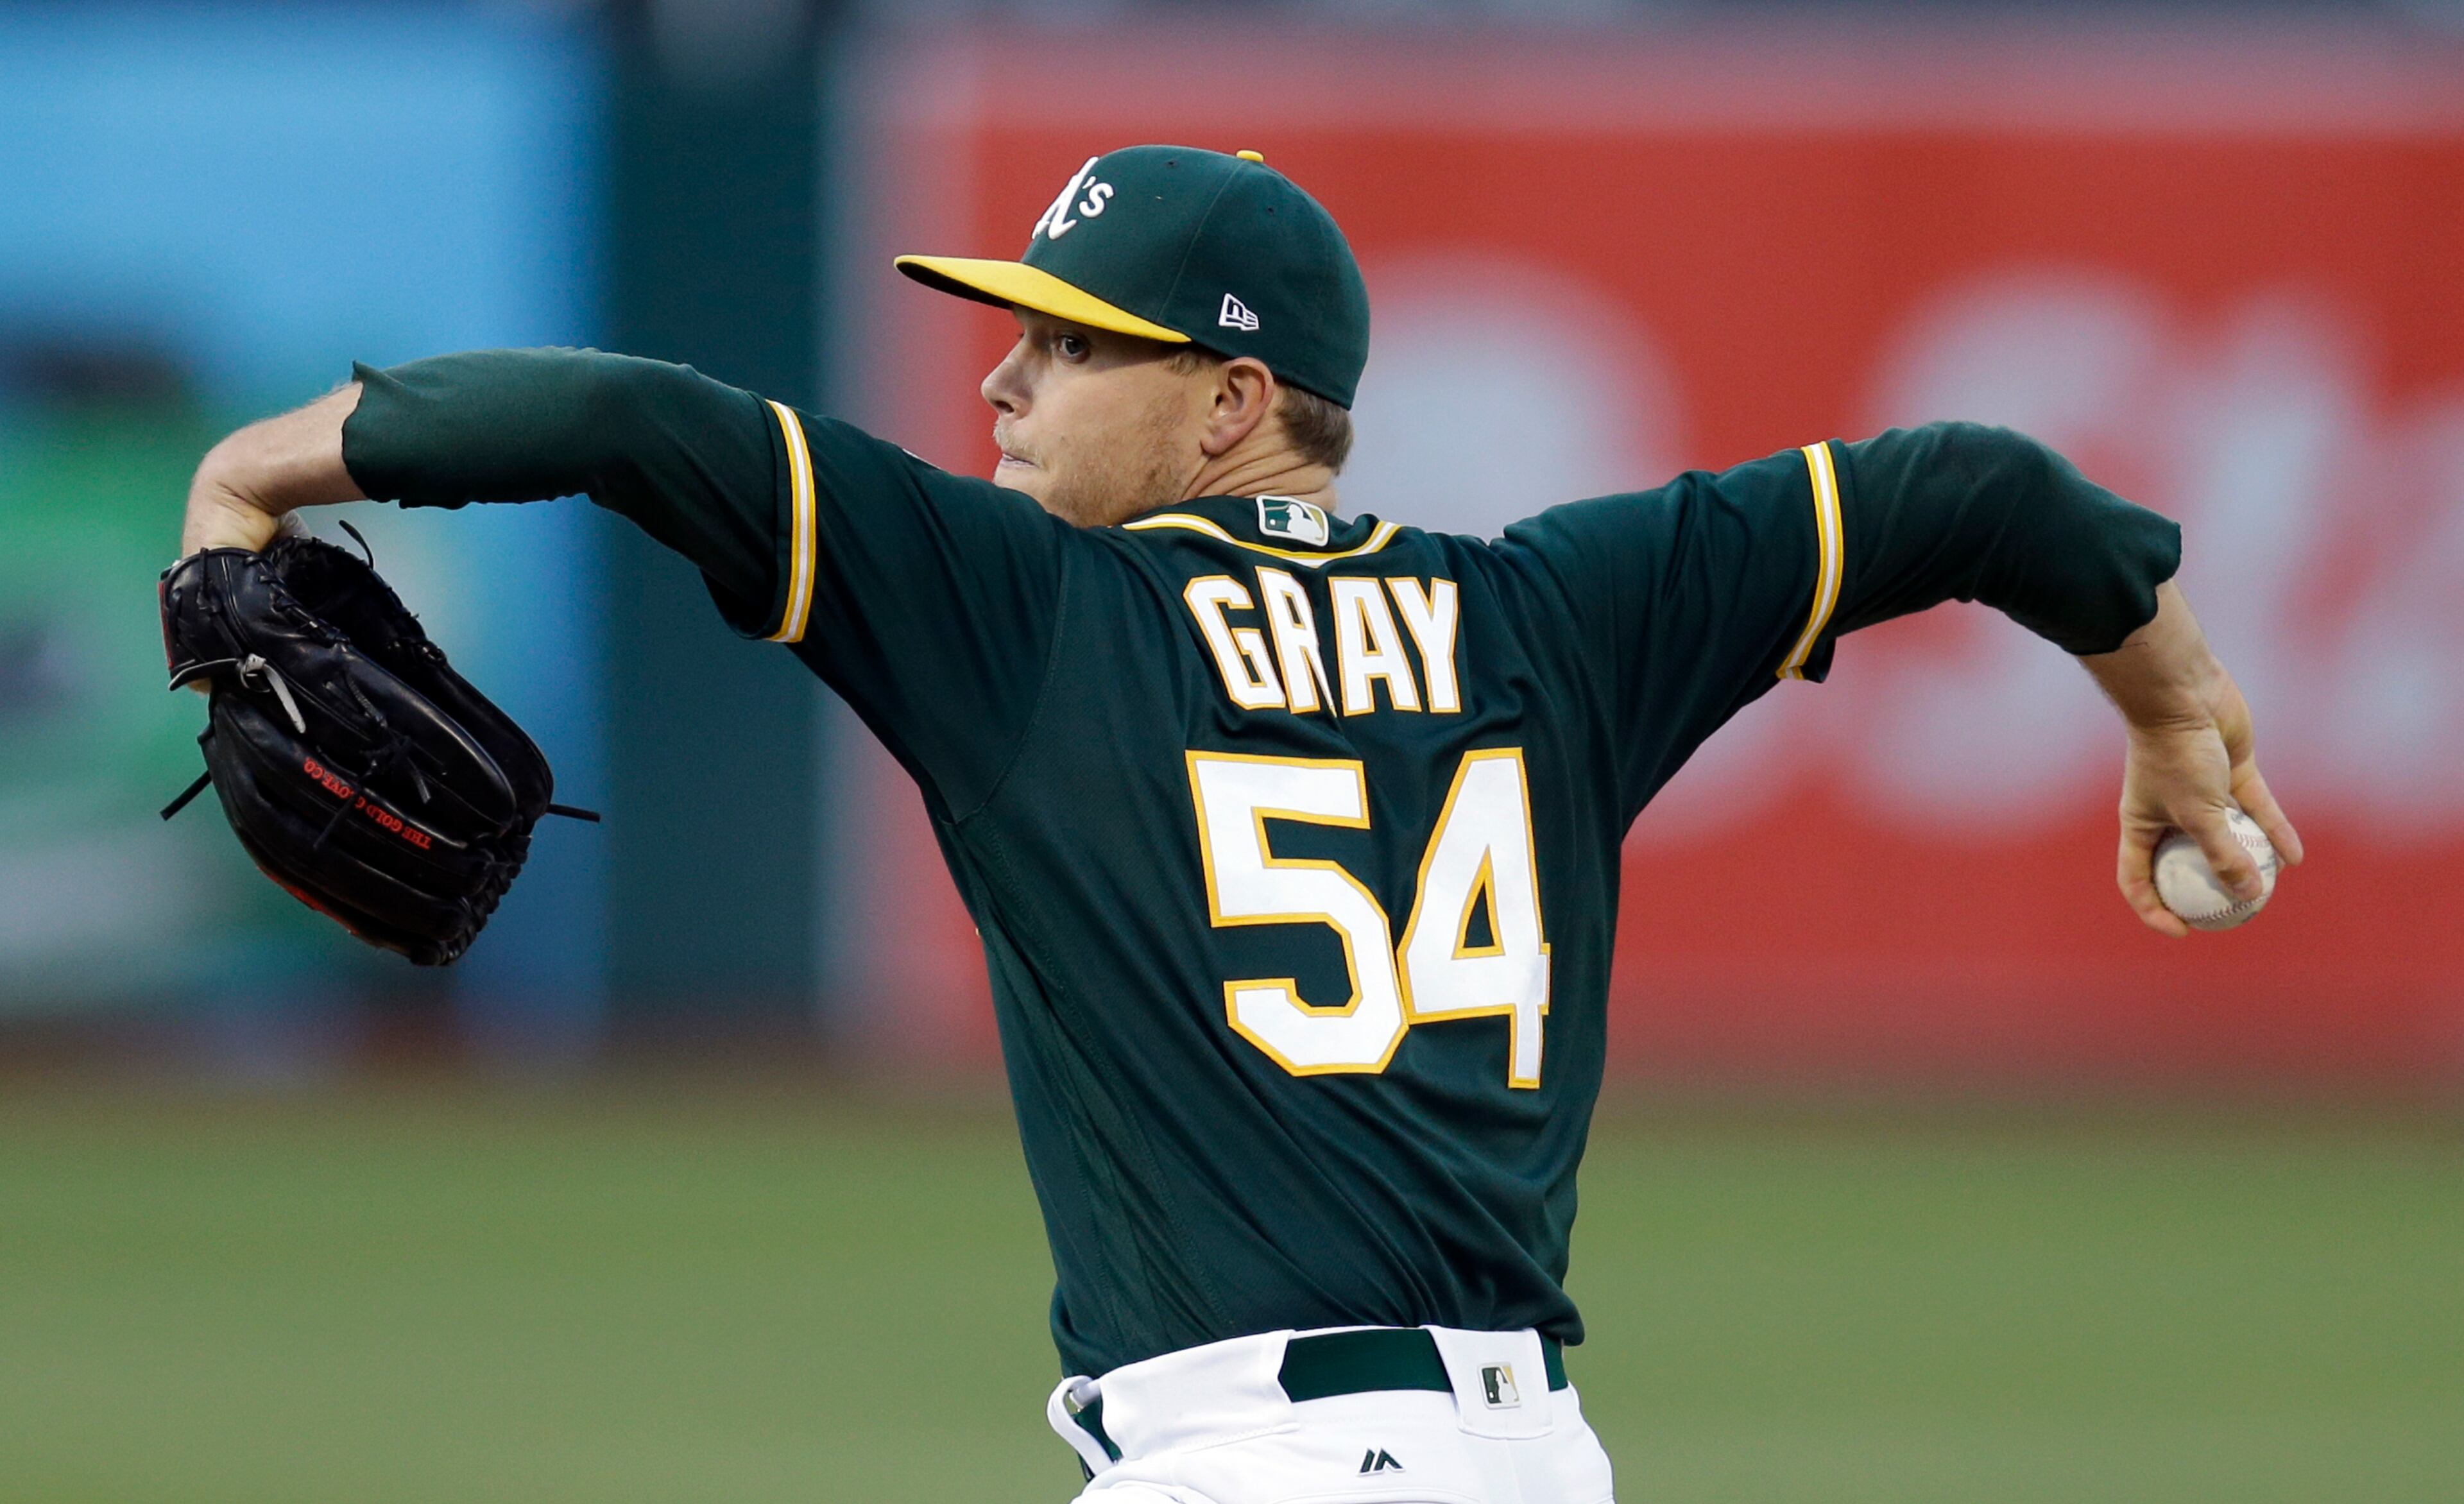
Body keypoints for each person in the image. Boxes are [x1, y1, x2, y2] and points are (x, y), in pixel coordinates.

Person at [177, 145, 2300, 1502]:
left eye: (1071, 344)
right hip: (1534, 1462)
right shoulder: (1557, 618)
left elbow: (635, 421)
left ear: (1227, 402)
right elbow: (1976, 490)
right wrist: (2172, 702)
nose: (1002, 382)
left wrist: (250, 483)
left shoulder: (1022, 618)